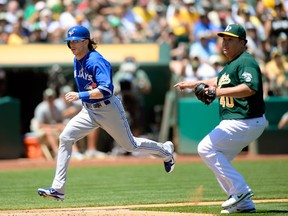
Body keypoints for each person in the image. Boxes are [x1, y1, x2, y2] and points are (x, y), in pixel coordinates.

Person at [37, 25, 175, 201]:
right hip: (88, 110)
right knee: (65, 137)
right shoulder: (77, 59)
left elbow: (107, 90)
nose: (71, 45)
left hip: (108, 108)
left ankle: (165, 151)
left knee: (129, 145)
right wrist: (84, 98)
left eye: (76, 41)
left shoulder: (96, 60)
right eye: (69, 42)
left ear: (86, 42)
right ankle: (58, 189)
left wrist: (80, 95)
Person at [174, 24, 267, 214]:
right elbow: (217, 81)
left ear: (242, 43)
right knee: (219, 159)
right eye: (224, 39)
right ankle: (243, 204)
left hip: (245, 119)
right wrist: (193, 84)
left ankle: (241, 191)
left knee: (206, 148)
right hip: (239, 121)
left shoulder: (245, 61)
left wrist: (217, 93)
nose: (225, 43)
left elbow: (250, 88)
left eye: (230, 40)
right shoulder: (231, 65)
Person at [31, 88, 65, 158]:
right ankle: (57, 153)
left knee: (67, 128)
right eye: (48, 97)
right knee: (49, 131)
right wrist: (54, 127)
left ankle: (73, 152)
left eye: (51, 97)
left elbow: (61, 121)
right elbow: (40, 125)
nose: (50, 99)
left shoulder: (58, 107)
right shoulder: (41, 108)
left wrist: (59, 126)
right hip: (41, 131)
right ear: (45, 98)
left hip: (55, 129)